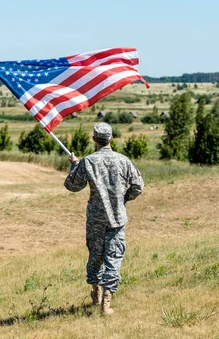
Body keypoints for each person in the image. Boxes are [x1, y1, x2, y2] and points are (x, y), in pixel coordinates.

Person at [64, 122, 144, 314]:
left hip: (95, 220)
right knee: (114, 257)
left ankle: (96, 293)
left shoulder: (88, 161)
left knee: (95, 256)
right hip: (117, 218)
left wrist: (75, 166)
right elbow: (138, 187)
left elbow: (72, 185)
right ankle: (106, 303)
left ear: (94, 139)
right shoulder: (123, 161)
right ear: (111, 139)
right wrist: (123, 199)